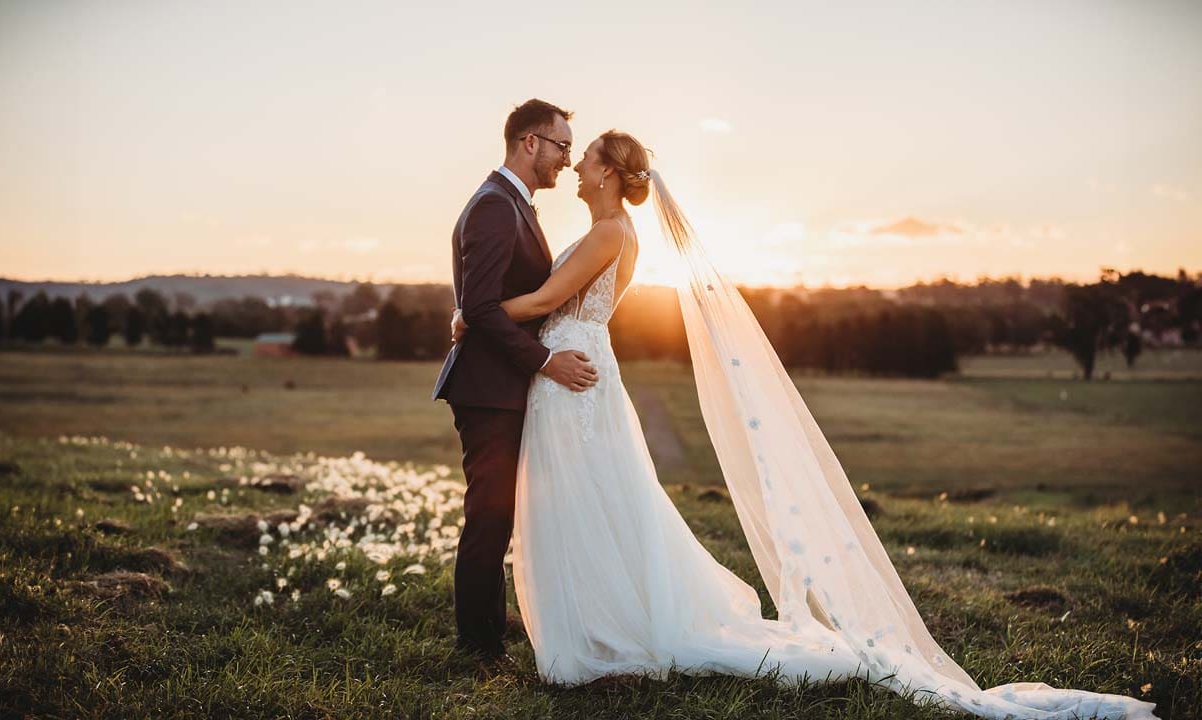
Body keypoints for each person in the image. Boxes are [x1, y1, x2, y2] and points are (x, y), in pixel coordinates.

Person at [450, 129, 1159, 720]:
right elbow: (546, 300)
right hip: (571, 372)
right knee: (588, 504)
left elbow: (543, 296)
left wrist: (470, 314)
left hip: (575, 378)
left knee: (590, 503)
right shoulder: (603, 227)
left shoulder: (610, 233)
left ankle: (603, 636)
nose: (574, 165)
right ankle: (597, 628)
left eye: (584, 157)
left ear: (607, 171)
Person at [432, 99, 599, 662]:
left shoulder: (512, 204)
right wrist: (545, 361)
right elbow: (479, 307)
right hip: (486, 388)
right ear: (530, 142)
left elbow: (479, 304)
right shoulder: (495, 207)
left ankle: (488, 634)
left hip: (499, 383)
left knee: (497, 513)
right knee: (488, 514)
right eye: (561, 146)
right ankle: (475, 644)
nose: (566, 160)